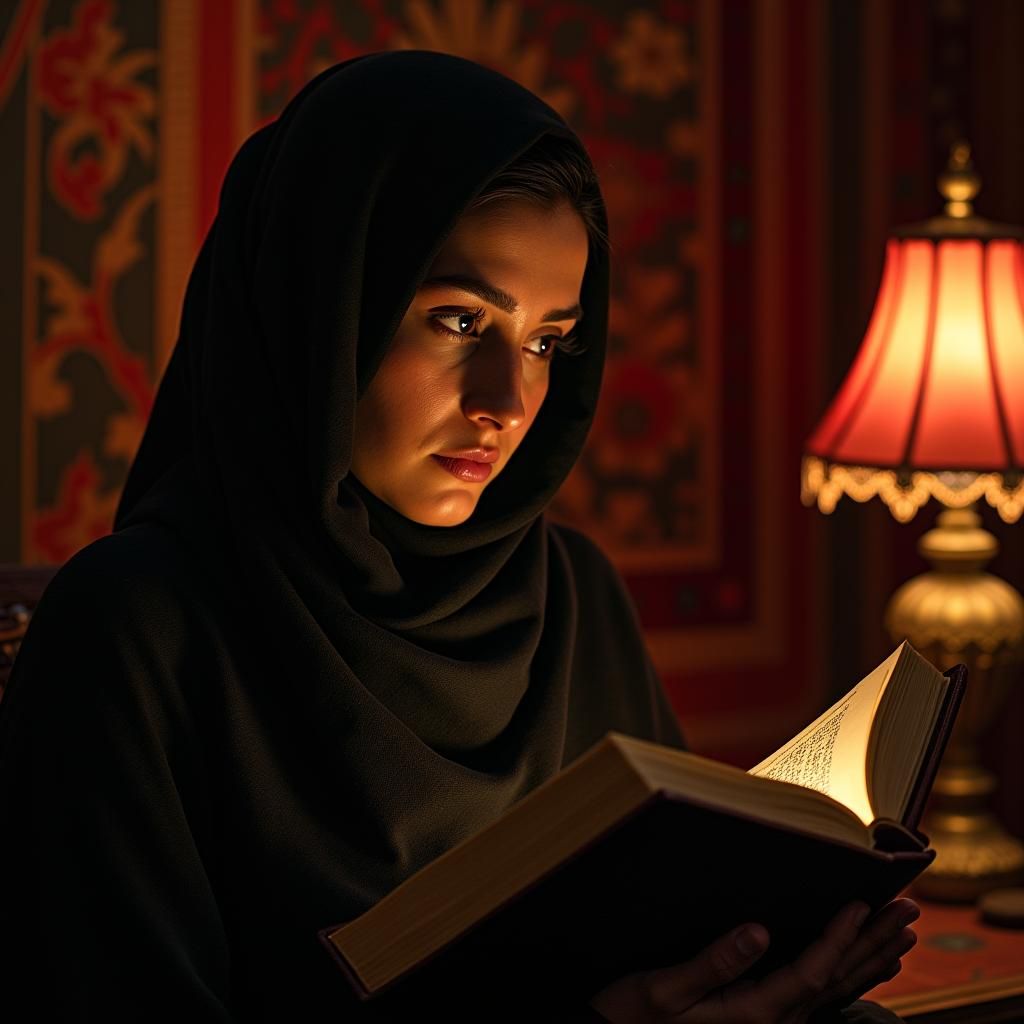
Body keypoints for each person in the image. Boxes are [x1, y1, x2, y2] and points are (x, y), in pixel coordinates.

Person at [0, 51, 915, 1021]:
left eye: (546, 341)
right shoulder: (132, 629)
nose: (507, 402)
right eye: (457, 320)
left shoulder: (573, 597)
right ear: (319, 306)